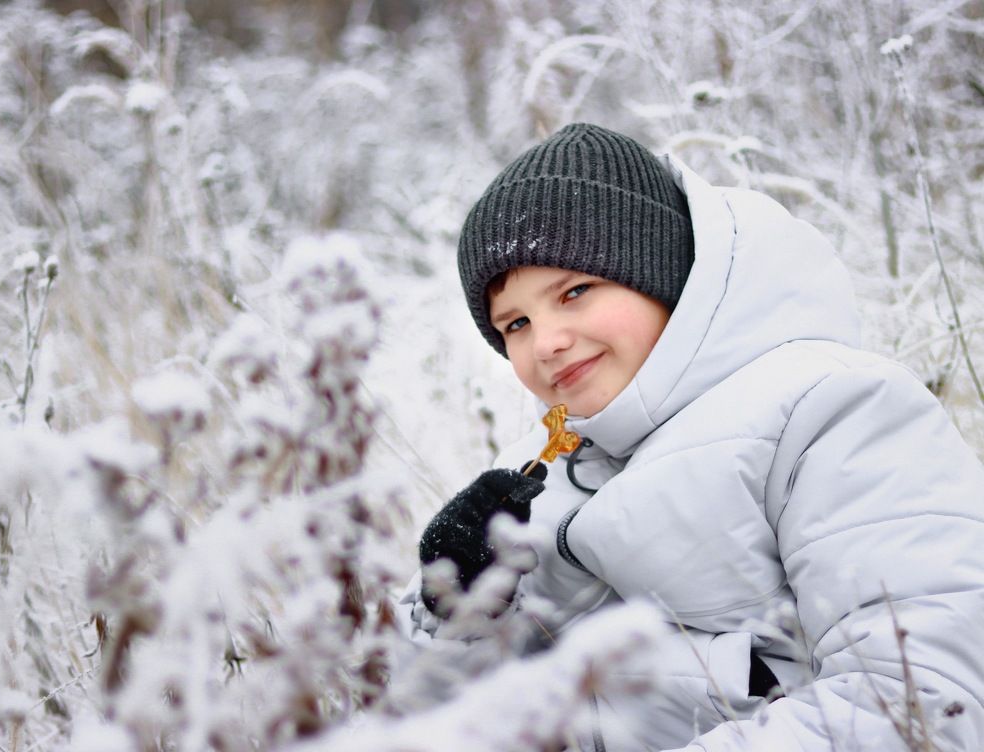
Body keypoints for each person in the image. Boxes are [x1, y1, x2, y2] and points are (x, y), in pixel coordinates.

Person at [401, 122, 984, 751]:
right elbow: (423, 719)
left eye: (575, 291)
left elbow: (924, 706)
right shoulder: (534, 473)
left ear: (659, 273)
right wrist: (455, 610)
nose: (545, 343)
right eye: (515, 323)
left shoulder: (831, 411)